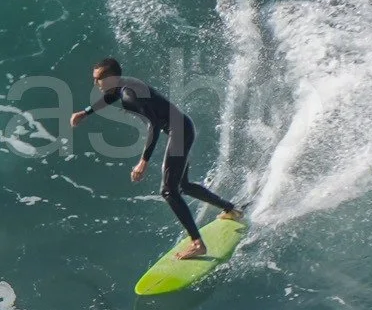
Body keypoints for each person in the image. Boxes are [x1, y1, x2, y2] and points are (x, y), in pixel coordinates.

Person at [69, 58, 244, 257]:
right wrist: (85, 113)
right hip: (182, 128)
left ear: (111, 78)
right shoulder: (122, 85)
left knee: (169, 191)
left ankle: (198, 244)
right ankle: (230, 210)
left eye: (99, 79)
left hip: (179, 132)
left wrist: (143, 162)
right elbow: (110, 97)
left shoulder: (129, 94)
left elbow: (153, 124)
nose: (95, 83)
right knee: (183, 186)